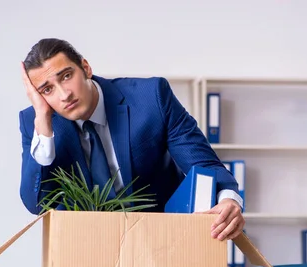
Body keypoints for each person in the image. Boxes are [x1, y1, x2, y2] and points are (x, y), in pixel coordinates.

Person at [18, 38, 245, 241]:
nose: (63, 94)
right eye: (47, 90)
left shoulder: (151, 98)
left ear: (85, 68)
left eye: (66, 76)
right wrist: (44, 126)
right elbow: (37, 205)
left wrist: (228, 199)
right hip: (88, 245)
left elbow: (203, 162)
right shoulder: (37, 123)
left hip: (163, 238)